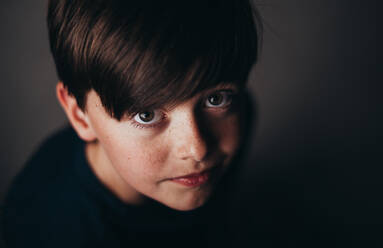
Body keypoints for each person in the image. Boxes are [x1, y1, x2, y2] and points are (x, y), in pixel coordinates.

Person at [2, 0, 260, 247]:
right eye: (146, 115)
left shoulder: (239, 113)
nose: (197, 149)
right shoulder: (55, 233)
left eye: (215, 98)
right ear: (80, 115)